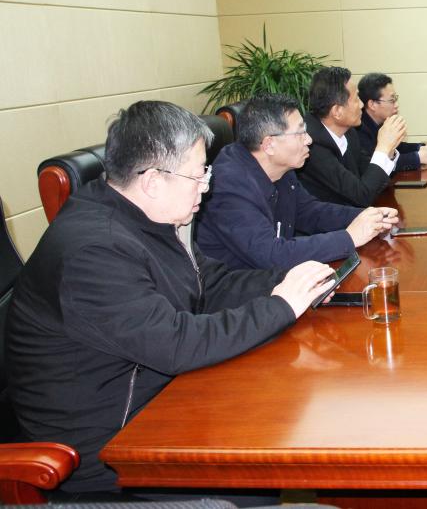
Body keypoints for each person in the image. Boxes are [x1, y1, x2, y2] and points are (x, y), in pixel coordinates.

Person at [4, 101, 339, 494]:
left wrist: (290, 281)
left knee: (285, 409)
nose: (206, 187)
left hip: (160, 400)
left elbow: (209, 282)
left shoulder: (148, 216)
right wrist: (281, 305)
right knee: (264, 458)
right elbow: (176, 343)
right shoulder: (94, 250)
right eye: (198, 175)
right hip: (107, 452)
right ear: (152, 181)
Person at [197, 94, 397, 270]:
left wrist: (367, 216)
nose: (309, 140)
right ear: (269, 144)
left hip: (277, 279)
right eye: (300, 133)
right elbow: (271, 255)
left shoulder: (280, 168)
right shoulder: (228, 186)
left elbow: (310, 212)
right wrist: (350, 237)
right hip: (241, 291)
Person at [298, 67, 403, 207]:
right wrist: (383, 148)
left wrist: (388, 149)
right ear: (337, 111)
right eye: (356, 99)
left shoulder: (349, 133)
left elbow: (370, 176)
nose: (361, 105)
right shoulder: (312, 145)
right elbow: (360, 196)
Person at [356, 71, 427, 172]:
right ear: (372, 104)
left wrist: (421, 148)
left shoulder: (380, 122)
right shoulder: (358, 130)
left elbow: (397, 148)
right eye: (392, 100)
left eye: (396, 99)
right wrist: (417, 157)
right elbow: (377, 165)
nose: (396, 105)